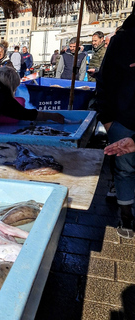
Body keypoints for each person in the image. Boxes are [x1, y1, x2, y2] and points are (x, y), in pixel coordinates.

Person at [93, 6, 135, 239]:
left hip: (121, 118)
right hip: (123, 118)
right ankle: (127, 219)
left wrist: (107, 118)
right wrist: (107, 119)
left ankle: (127, 220)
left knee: (124, 171)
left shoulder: (121, 39)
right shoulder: (123, 41)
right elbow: (106, 79)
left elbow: (104, 80)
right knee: (124, 169)